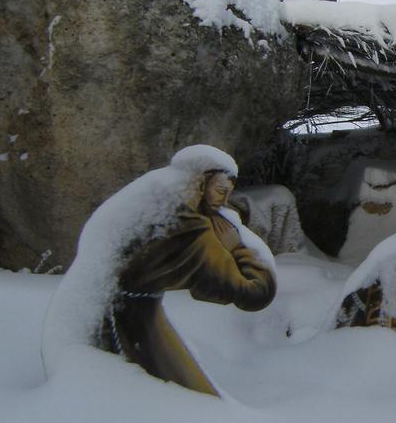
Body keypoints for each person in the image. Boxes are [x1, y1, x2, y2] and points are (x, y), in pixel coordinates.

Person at [42, 145, 276, 396]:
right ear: (201, 182)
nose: (223, 203)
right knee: (184, 401)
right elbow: (254, 292)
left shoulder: (150, 193)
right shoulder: (187, 225)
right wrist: (237, 247)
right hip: (116, 326)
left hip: (78, 309)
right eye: (220, 191)